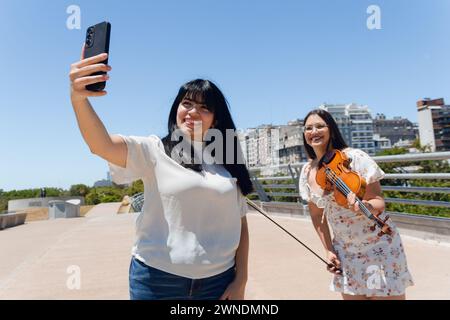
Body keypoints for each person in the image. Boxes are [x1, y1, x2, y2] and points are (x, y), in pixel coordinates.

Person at [69, 47, 253, 300]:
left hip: (218, 283)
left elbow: (240, 224)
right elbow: (100, 145)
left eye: (204, 107)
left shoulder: (228, 162)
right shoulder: (153, 149)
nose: (192, 112)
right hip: (157, 281)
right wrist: (79, 99)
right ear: (176, 109)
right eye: (186, 103)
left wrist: (241, 279)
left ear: (216, 119)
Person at [298, 109, 414, 300]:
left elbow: (379, 201)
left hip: (377, 245)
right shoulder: (307, 170)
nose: (314, 131)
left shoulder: (353, 158)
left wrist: (366, 206)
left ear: (332, 130)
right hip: (346, 251)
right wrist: (328, 250)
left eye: (320, 126)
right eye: (308, 128)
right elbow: (317, 216)